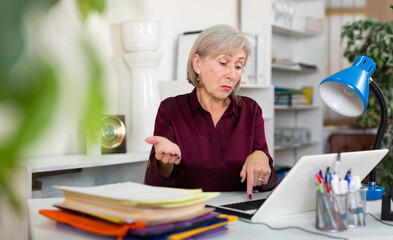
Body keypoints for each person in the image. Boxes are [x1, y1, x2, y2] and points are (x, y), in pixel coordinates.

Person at [144, 24, 277, 199]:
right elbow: (153, 184)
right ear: (197, 64)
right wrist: (164, 162)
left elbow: (270, 184)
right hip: (190, 214)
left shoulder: (250, 110)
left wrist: (262, 159)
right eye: (223, 63)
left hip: (240, 214)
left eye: (238, 66)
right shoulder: (171, 110)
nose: (231, 74)